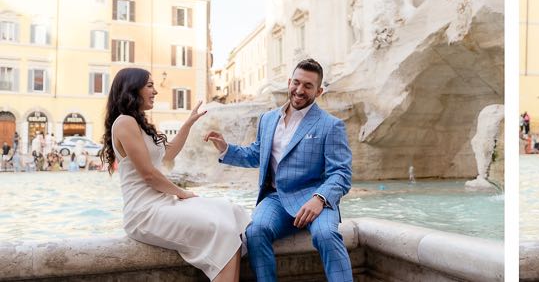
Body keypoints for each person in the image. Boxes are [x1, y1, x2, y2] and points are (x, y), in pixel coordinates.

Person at [205, 59, 354, 282]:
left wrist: (320, 199)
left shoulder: (330, 125)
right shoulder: (268, 119)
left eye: (308, 86)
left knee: (326, 234)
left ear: (319, 91)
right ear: (289, 82)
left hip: (316, 198)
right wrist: (226, 149)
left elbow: (341, 173)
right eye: (296, 82)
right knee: (254, 232)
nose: (300, 90)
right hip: (276, 200)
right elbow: (257, 154)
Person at [102, 67, 250, 282]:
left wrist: (188, 123)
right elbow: (149, 175)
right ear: (132, 89)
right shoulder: (124, 122)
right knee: (222, 228)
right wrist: (182, 192)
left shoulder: (138, 123)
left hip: (163, 203)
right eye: (150, 86)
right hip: (144, 212)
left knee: (231, 211)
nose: (155, 91)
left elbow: (169, 153)